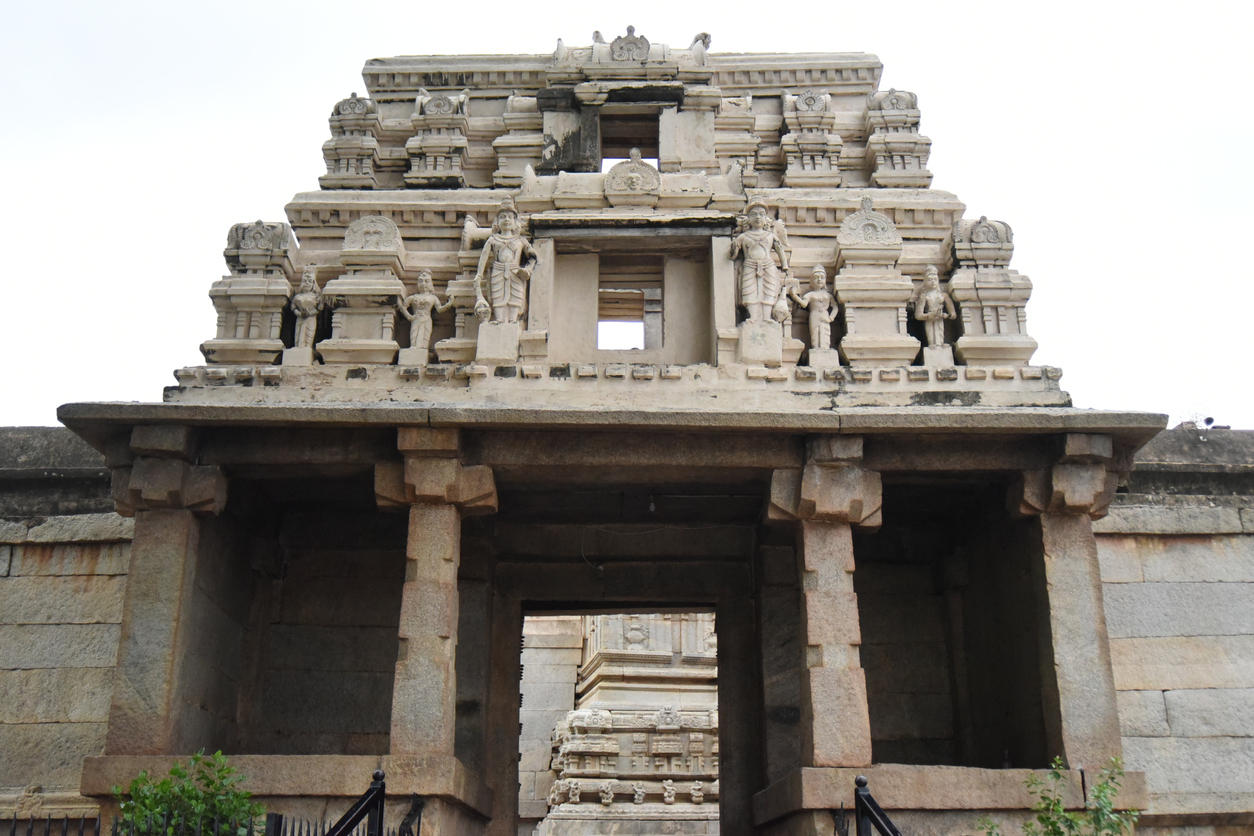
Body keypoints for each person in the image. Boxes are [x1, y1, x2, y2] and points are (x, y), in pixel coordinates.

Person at [474, 198, 538, 324]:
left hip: (515, 272)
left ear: (515, 222)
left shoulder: (520, 240)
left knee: (515, 297)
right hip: (498, 271)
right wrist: (479, 275)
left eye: (510, 217)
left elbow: (533, 256)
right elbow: (483, 258)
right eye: (503, 217)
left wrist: (527, 270)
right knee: (498, 297)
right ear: (497, 221)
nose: (506, 220)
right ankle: (499, 319)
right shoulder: (493, 240)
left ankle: (513, 320)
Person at [730, 200, 791, 321]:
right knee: (749, 291)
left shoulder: (770, 236)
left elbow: (780, 250)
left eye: (761, 214)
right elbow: (733, 256)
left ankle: (766, 317)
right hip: (749, 266)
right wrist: (734, 248)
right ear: (749, 219)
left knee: (768, 291)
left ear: (765, 218)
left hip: (767, 266)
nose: (758, 217)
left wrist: (785, 266)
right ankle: (753, 317)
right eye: (754, 214)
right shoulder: (744, 236)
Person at [397, 271, 453, 360]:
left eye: (426, 281)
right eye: (420, 281)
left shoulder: (433, 298)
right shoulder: (413, 297)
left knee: (425, 336)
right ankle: (413, 348)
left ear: (431, 284)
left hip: (427, 318)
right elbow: (403, 307)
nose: (423, 284)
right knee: (414, 334)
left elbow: (439, 309)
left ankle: (422, 349)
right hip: (416, 318)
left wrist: (448, 304)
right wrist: (409, 317)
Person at [788, 266, 837, 350]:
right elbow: (804, 304)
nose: (819, 280)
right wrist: (794, 296)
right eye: (816, 278)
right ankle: (816, 348)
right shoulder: (810, 295)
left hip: (825, 315)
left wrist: (830, 318)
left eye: (822, 278)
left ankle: (825, 348)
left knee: (825, 332)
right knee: (815, 332)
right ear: (811, 281)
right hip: (814, 315)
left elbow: (835, 307)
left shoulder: (828, 295)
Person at [913, 266, 956, 348]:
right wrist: (929, 315)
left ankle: (940, 343)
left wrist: (947, 315)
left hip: (940, 317)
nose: (932, 282)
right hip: (930, 316)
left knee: (940, 329)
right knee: (930, 330)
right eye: (929, 280)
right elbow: (918, 315)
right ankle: (931, 343)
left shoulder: (943, 295)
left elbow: (952, 313)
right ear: (925, 282)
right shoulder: (924, 296)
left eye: (935, 279)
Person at [290, 267, 323, 348]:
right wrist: (299, 313)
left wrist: (309, 313)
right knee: (298, 334)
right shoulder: (297, 296)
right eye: (305, 281)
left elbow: (320, 308)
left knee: (308, 336)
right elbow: (293, 307)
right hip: (300, 317)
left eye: (310, 281)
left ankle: (307, 348)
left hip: (310, 318)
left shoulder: (316, 296)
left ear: (313, 284)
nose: (307, 283)